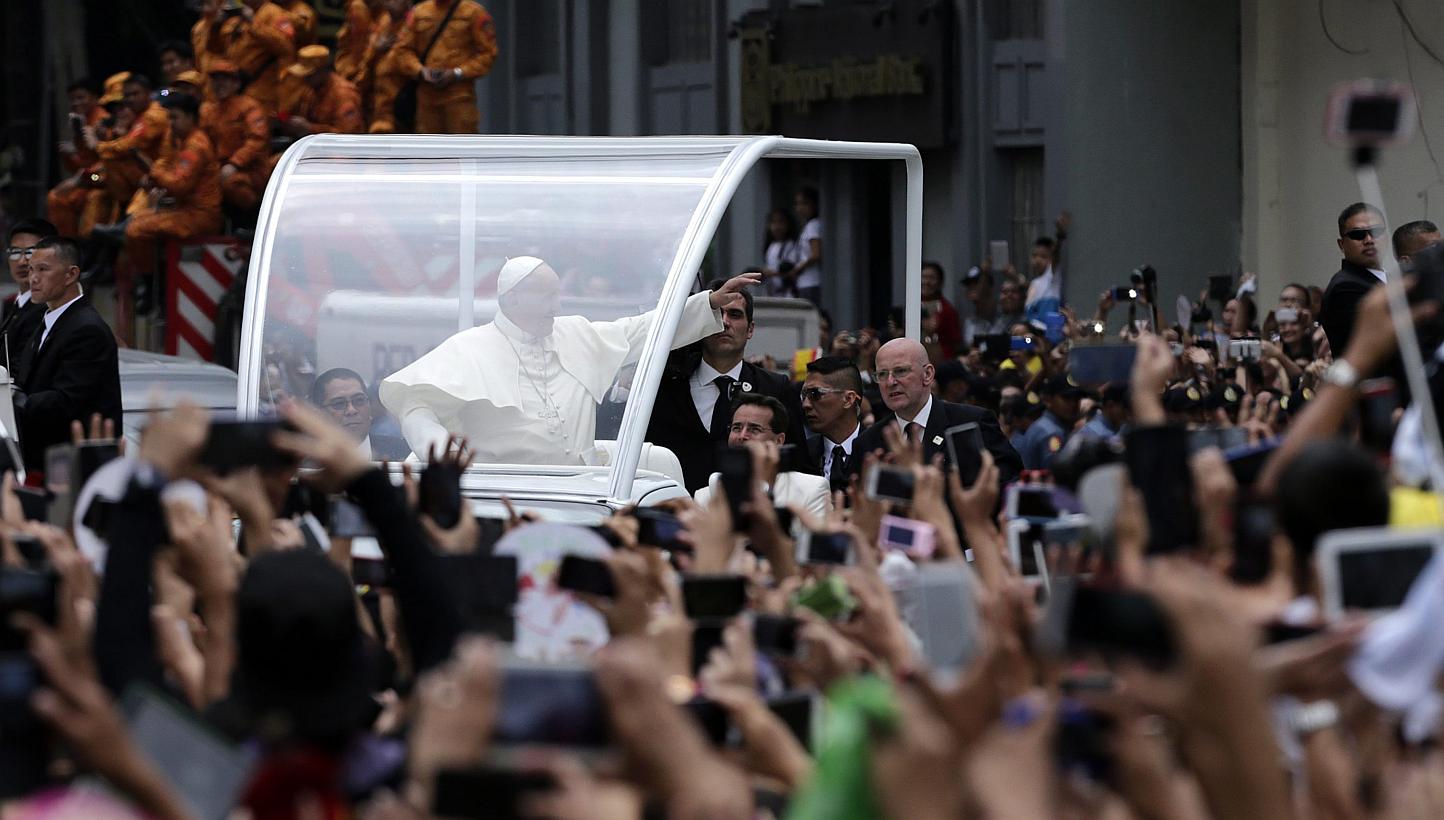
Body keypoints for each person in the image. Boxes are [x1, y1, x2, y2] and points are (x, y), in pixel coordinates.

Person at [380, 257, 758, 464]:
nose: (556, 306)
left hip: (579, 488)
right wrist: (436, 446)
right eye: (545, 296)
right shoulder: (471, 348)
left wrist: (705, 303)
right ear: (511, 300)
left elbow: (641, 331)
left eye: (556, 295)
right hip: (505, 490)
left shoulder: (573, 333)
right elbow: (416, 404)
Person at [646, 278, 810, 493]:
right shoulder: (663, 388)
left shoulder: (775, 388)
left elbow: (798, 466)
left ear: (750, 329)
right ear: (700, 324)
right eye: (715, 313)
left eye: (735, 314)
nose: (724, 321)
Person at [12, 237, 122, 473]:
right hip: (42, 462)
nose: (33, 278)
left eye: (43, 269)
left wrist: (12, 401)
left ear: (71, 275)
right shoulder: (48, 319)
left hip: (74, 468)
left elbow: (66, 401)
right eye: (31, 269)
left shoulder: (87, 329)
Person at [852, 338, 1021, 488]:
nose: (890, 382)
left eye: (901, 371)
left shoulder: (972, 423)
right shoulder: (868, 442)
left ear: (927, 374)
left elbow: (1009, 481)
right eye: (882, 374)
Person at [694, 393, 831, 519]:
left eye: (754, 429)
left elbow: (814, 545)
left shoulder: (812, 489)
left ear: (779, 441)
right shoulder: (706, 495)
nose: (742, 436)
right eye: (736, 428)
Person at [120, 92, 224, 254]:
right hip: (185, 209)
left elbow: (178, 185)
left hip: (200, 216)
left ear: (190, 117)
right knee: (136, 217)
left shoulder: (195, 146)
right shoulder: (184, 141)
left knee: (135, 230)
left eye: (175, 118)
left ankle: (148, 279)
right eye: (169, 118)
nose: (171, 123)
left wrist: (153, 170)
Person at [392, 0, 498, 134]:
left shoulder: (473, 12)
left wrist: (458, 73)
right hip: (426, 98)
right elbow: (402, 50)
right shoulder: (419, 13)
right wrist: (420, 71)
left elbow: (488, 54)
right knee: (427, 150)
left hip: (459, 96)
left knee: (462, 148)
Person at [200, 59, 273, 214]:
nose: (219, 84)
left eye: (224, 80)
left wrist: (235, 164)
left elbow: (257, 139)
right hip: (219, 168)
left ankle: (256, 216)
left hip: (251, 169)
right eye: (215, 80)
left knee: (231, 184)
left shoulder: (249, 106)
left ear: (236, 84)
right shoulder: (208, 111)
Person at [204, 0, 298, 117]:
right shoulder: (236, 15)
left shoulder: (275, 14)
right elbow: (214, 49)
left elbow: (286, 48)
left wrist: (253, 23)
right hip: (232, 89)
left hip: (260, 91)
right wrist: (216, 26)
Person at [1320, 202, 1386, 356]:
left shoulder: (1392, 278)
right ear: (1341, 244)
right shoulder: (1344, 287)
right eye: (1358, 235)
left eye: (1376, 232)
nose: (1369, 240)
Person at [311, 367, 411, 460]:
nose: (351, 410)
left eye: (359, 400)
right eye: (339, 403)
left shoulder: (404, 453)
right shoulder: (304, 462)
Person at [0, 220, 57, 377]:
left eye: (31, 252)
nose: (22, 261)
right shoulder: (12, 303)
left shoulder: (49, 308)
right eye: (15, 252)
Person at [800, 356, 864, 493]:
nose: (806, 404)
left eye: (814, 394)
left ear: (848, 399)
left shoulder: (879, 451)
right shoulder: (802, 454)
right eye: (803, 395)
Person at [278, 45, 365, 136]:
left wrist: (310, 128)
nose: (305, 78)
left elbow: (349, 135)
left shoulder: (343, 94)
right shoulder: (311, 89)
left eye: (309, 74)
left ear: (322, 70)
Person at [1017, 374, 1084, 470]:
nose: (1073, 404)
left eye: (1077, 398)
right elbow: (1056, 475)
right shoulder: (1052, 434)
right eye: (1066, 398)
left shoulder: (1042, 424)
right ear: (1048, 400)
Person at [920, 261, 961, 360]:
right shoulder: (911, 307)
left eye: (932, 278)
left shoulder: (948, 310)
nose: (927, 282)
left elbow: (955, 343)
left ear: (940, 282)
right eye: (924, 277)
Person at [760, 207, 803, 298]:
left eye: (781, 222)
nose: (777, 227)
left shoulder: (790, 245)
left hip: (787, 293)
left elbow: (791, 270)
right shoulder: (770, 246)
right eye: (774, 222)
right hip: (772, 292)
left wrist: (773, 273)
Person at [791, 186, 823, 305]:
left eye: (805, 203)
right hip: (805, 282)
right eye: (798, 204)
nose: (800, 208)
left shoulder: (813, 225)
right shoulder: (808, 225)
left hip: (811, 281)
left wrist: (797, 269)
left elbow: (815, 254)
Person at [961, 267, 1007, 347]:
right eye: (968, 284)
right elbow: (971, 348)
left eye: (976, 283)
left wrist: (1003, 344)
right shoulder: (969, 322)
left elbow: (1027, 343)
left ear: (989, 286)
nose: (971, 288)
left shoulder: (1006, 314)